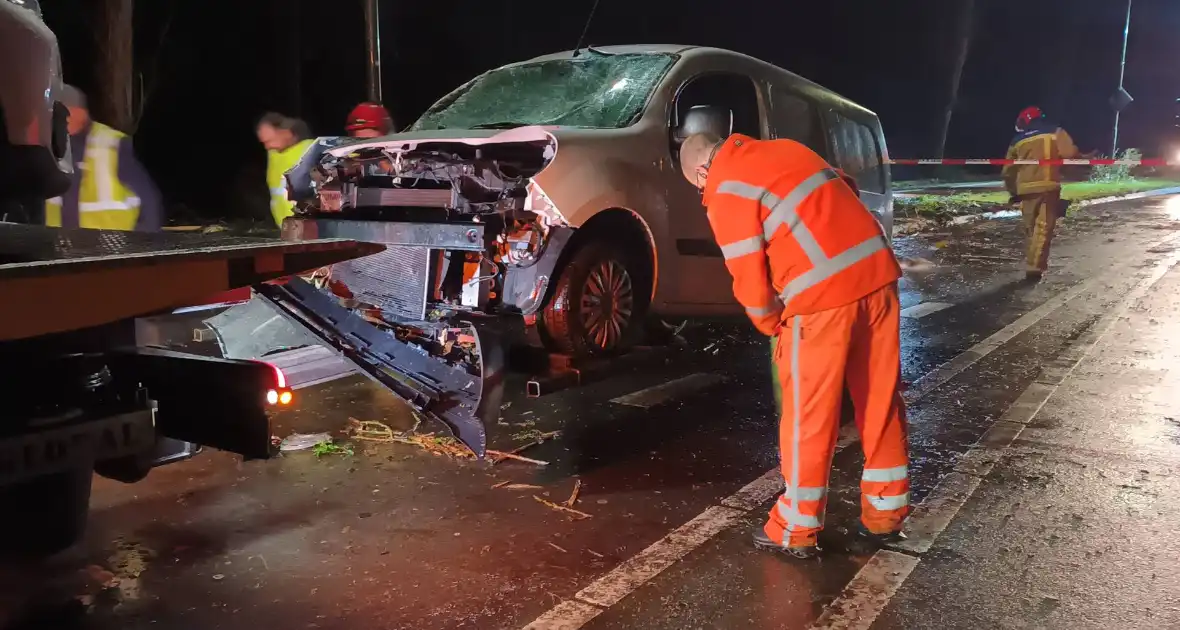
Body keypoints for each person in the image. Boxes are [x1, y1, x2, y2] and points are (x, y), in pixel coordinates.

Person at [679, 132, 911, 559]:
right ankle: (885, 516)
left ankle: (794, 528)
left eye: (698, 188)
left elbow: (747, 277)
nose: (703, 194)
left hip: (822, 302)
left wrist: (771, 323)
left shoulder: (727, 189)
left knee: (808, 416)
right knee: (880, 401)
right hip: (877, 275)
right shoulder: (784, 148)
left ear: (700, 171)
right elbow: (845, 186)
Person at [46, 85, 162, 231]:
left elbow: (149, 205)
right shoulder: (51, 146)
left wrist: (143, 246)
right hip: (61, 249)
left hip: (109, 250)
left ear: (78, 112)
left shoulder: (113, 145)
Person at [1001, 106, 1093, 281]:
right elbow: (1069, 153)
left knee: (1031, 229)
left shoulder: (1017, 140)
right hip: (1047, 187)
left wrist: (1013, 192)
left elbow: (1008, 171)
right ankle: (1034, 268)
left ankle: (1031, 263)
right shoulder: (1055, 131)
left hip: (1025, 191)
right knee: (1043, 229)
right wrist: (1084, 158)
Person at [257, 112, 315, 228]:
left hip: (308, 229)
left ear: (286, 132)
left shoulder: (311, 149)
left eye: (270, 141)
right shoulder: (274, 154)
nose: (267, 147)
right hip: (285, 229)